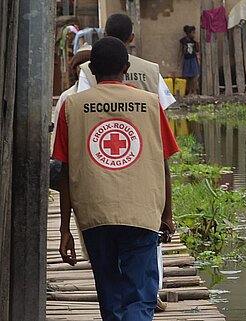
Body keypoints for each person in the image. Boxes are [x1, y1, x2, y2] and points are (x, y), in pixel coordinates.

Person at [53, 36, 179, 321]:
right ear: (125, 67)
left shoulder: (72, 107)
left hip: (95, 215)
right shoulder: (149, 103)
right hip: (141, 212)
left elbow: (64, 173)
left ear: (92, 69)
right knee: (140, 296)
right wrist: (167, 215)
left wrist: (64, 229)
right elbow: (163, 163)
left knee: (110, 297)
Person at [77, 13, 176, 109]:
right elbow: (163, 108)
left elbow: (81, 107)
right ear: (132, 37)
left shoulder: (88, 70)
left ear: (105, 35)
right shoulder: (151, 71)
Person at [179, 25, 201, 96]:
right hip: (187, 60)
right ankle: (189, 91)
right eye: (192, 33)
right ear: (188, 33)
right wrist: (179, 61)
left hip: (193, 59)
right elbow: (181, 51)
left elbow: (197, 50)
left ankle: (194, 91)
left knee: (194, 76)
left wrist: (197, 43)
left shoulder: (194, 41)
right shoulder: (183, 41)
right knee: (187, 77)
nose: (194, 34)